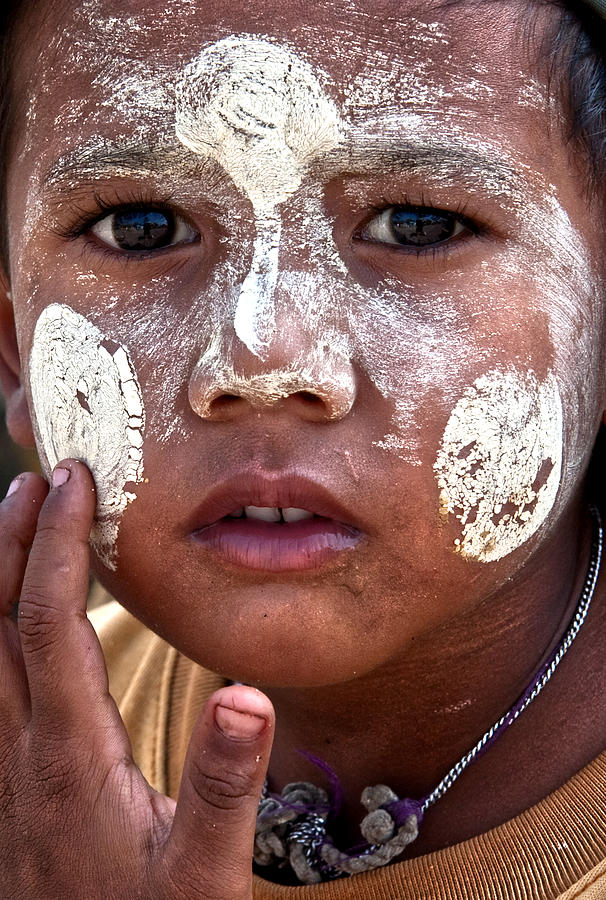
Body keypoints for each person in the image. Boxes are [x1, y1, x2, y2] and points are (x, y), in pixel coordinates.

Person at [0, 0, 604, 896]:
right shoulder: (23, 785)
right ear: (14, 353)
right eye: (142, 228)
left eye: (417, 225)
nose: (266, 358)